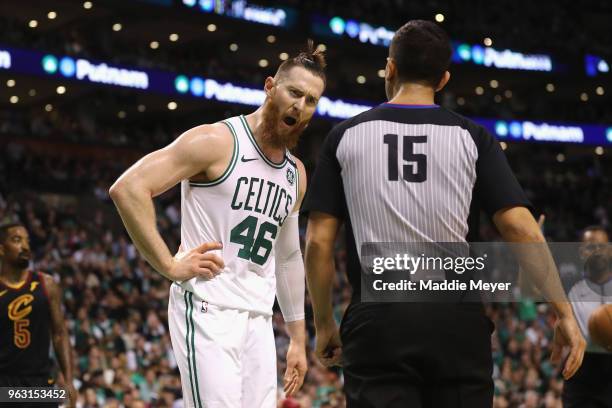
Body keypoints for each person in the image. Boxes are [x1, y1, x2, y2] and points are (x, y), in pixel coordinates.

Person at [302, 20, 585, 408]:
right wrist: (563, 313)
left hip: (378, 321)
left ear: (391, 68)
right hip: (455, 319)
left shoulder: (344, 136)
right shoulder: (473, 137)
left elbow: (318, 241)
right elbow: (522, 230)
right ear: (444, 79)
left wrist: (323, 324)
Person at [109, 42, 326, 407]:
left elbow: (288, 257)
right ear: (270, 86)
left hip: (258, 318)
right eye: (294, 92)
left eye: (311, 100)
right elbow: (128, 188)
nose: (300, 106)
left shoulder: (296, 175)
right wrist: (168, 265)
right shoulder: (216, 141)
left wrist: (298, 340)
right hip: (208, 306)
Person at [0, 223, 77, 407]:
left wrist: (68, 380)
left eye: (27, 240)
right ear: (1, 249)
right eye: (17, 240)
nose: (25, 246)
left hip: (40, 384)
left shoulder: (46, 284)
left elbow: (59, 334)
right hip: (4, 384)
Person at [563, 226, 612, 407]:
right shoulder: (568, 284)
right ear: (582, 252)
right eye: (591, 247)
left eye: (602, 246)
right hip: (580, 368)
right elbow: (529, 293)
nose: (597, 252)